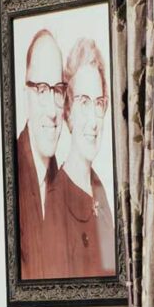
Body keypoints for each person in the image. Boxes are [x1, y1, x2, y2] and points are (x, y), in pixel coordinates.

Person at [50, 36, 116, 277]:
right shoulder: (56, 200)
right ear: (68, 111)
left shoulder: (99, 189)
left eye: (99, 103)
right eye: (84, 102)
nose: (93, 121)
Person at [14, 29, 72, 279]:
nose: (51, 109)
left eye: (57, 90)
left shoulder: (66, 187)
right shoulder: (9, 176)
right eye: (41, 89)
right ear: (25, 92)